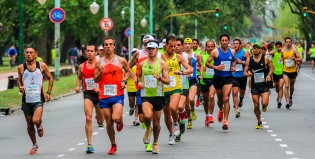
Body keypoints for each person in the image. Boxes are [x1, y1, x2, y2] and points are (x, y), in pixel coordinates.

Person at [94, 37, 131, 155]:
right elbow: (95, 79)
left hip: (117, 94)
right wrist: (100, 71)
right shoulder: (99, 62)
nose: (108, 47)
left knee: (115, 118)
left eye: (110, 44)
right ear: (103, 47)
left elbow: (129, 71)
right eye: (106, 45)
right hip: (104, 96)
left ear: (114, 46)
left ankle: (120, 121)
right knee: (109, 122)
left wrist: (124, 81)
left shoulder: (121, 60)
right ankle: (113, 144)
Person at [17, 46, 54, 155]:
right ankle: (34, 144)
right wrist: (20, 87)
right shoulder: (21, 67)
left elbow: (50, 78)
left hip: (38, 99)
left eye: (31, 52)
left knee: (36, 120)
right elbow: (19, 80)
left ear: (35, 54)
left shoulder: (41, 66)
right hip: (26, 100)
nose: (28, 54)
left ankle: (39, 125)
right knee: (29, 124)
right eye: (27, 52)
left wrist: (48, 92)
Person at [137, 40, 170, 154]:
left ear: (157, 50)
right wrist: (139, 82)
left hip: (158, 95)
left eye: (153, 48)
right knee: (147, 115)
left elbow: (168, 81)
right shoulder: (142, 64)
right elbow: (139, 77)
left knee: (156, 123)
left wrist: (159, 78)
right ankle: (148, 128)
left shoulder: (162, 64)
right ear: (146, 50)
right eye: (148, 48)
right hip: (146, 95)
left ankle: (155, 142)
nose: (150, 50)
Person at [161, 36, 192, 144]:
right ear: (166, 45)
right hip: (164, 88)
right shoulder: (160, 57)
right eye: (171, 46)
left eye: (175, 46)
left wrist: (182, 72)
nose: (173, 48)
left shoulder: (178, 57)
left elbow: (190, 69)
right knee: (166, 114)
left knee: (173, 107)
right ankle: (171, 134)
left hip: (176, 87)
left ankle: (175, 123)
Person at [75, 44, 104, 153]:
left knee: (101, 119)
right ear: (85, 53)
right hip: (88, 94)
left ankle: (100, 118)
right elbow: (79, 78)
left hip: (100, 94)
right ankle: (89, 144)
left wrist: (100, 88)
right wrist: (78, 86)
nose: (89, 53)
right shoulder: (82, 66)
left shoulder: (100, 63)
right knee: (88, 118)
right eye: (88, 51)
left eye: (92, 51)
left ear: (96, 52)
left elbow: (105, 77)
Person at [206, 34, 236, 130]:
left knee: (226, 98)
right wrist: (216, 67)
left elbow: (234, 60)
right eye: (222, 40)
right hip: (217, 78)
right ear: (220, 42)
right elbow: (207, 63)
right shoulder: (215, 52)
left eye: (226, 40)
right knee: (219, 99)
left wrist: (233, 67)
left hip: (228, 78)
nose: (224, 42)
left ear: (228, 41)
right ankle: (221, 109)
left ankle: (225, 121)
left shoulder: (232, 51)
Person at [244, 42, 273, 129]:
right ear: (252, 50)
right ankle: (259, 121)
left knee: (264, 103)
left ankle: (264, 107)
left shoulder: (266, 59)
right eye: (254, 48)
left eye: (257, 48)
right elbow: (245, 72)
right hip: (254, 85)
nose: (256, 50)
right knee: (256, 105)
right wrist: (248, 73)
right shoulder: (249, 60)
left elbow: (272, 68)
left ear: (261, 50)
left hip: (264, 85)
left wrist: (268, 75)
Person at [183, 38, 202, 129]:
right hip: (184, 80)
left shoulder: (195, 55)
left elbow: (201, 65)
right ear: (183, 45)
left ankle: (193, 109)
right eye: (185, 43)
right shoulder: (180, 56)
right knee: (186, 103)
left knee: (191, 99)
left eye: (189, 43)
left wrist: (201, 74)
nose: (187, 45)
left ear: (191, 45)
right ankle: (189, 119)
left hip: (193, 79)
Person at [174, 38, 189, 141]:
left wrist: (184, 73)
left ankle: (182, 119)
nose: (176, 47)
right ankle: (177, 131)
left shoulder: (186, 56)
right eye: (174, 45)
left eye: (178, 45)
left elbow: (190, 69)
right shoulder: (169, 57)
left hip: (183, 84)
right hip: (172, 86)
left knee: (179, 107)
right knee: (173, 109)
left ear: (182, 46)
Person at [281, 37, 302, 108]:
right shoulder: (283, 51)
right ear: (285, 43)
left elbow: (300, 59)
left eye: (289, 42)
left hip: (293, 71)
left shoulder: (294, 50)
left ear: (291, 42)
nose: (288, 43)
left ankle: (290, 97)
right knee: (286, 85)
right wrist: (281, 59)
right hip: (285, 70)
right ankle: (287, 101)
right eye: (287, 42)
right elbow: (282, 58)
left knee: (291, 86)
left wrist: (294, 58)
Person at [199, 40, 216, 126]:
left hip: (213, 79)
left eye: (211, 46)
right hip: (204, 79)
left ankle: (211, 115)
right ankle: (207, 115)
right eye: (208, 46)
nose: (210, 48)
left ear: (214, 47)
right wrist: (201, 74)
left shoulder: (216, 56)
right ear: (206, 47)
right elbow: (201, 66)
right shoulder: (203, 56)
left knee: (211, 96)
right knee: (205, 100)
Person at [231, 39, 249, 118]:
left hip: (242, 75)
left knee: (242, 92)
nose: (235, 45)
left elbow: (249, 62)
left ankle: (241, 99)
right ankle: (237, 110)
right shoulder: (231, 53)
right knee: (235, 92)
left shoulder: (244, 53)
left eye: (237, 43)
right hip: (234, 75)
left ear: (240, 44)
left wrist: (242, 62)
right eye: (234, 43)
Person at [125, 48, 141, 126]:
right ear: (132, 55)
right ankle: (131, 108)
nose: (135, 54)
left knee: (138, 103)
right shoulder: (128, 64)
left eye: (136, 53)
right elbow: (125, 74)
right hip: (130, 87)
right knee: (132, 103)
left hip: (138, 87)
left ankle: (136, 119)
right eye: (133, 53)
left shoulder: (141, 63)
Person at [269, 41, 284, 108]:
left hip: (282, 72)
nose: (279, 48)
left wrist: (282, 51)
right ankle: (278, 95)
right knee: (277, 88)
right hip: (275, 73)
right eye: (277, 47)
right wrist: (276, 50)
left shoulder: (283, 53)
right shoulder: (274, 53)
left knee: (281, 86)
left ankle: (280, 101)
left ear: (281, 46)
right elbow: (269, 53)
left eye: (279, 47)